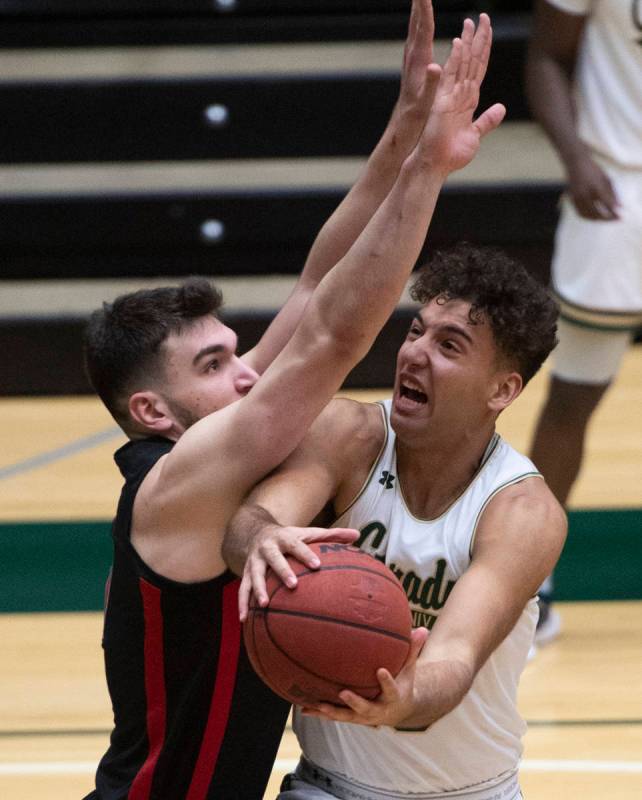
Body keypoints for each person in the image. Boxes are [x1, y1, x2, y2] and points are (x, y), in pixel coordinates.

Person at [81, 5, 506, 798]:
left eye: (235, 351)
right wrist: (428, 174)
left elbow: (316, 288)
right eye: (214, 364)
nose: (246, 372)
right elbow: (333, 338)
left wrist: (406, 133)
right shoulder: (178, 483)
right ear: (152, 412)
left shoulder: (206, 436)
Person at [225, 244, 567, 800]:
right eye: (417, 332)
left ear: (502, 390)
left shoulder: (523, 511)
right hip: (328, 785)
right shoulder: (349, 435)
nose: (415, 354)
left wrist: (405, 699)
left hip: (474, 791)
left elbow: (455, 656)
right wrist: (260, 538)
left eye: (449, 346)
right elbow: (251, 523)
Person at [525, 0, 642, 644]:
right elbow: (545, 53)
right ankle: (529, 578)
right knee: (573, 398)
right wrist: (575, 162)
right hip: (618, 192)